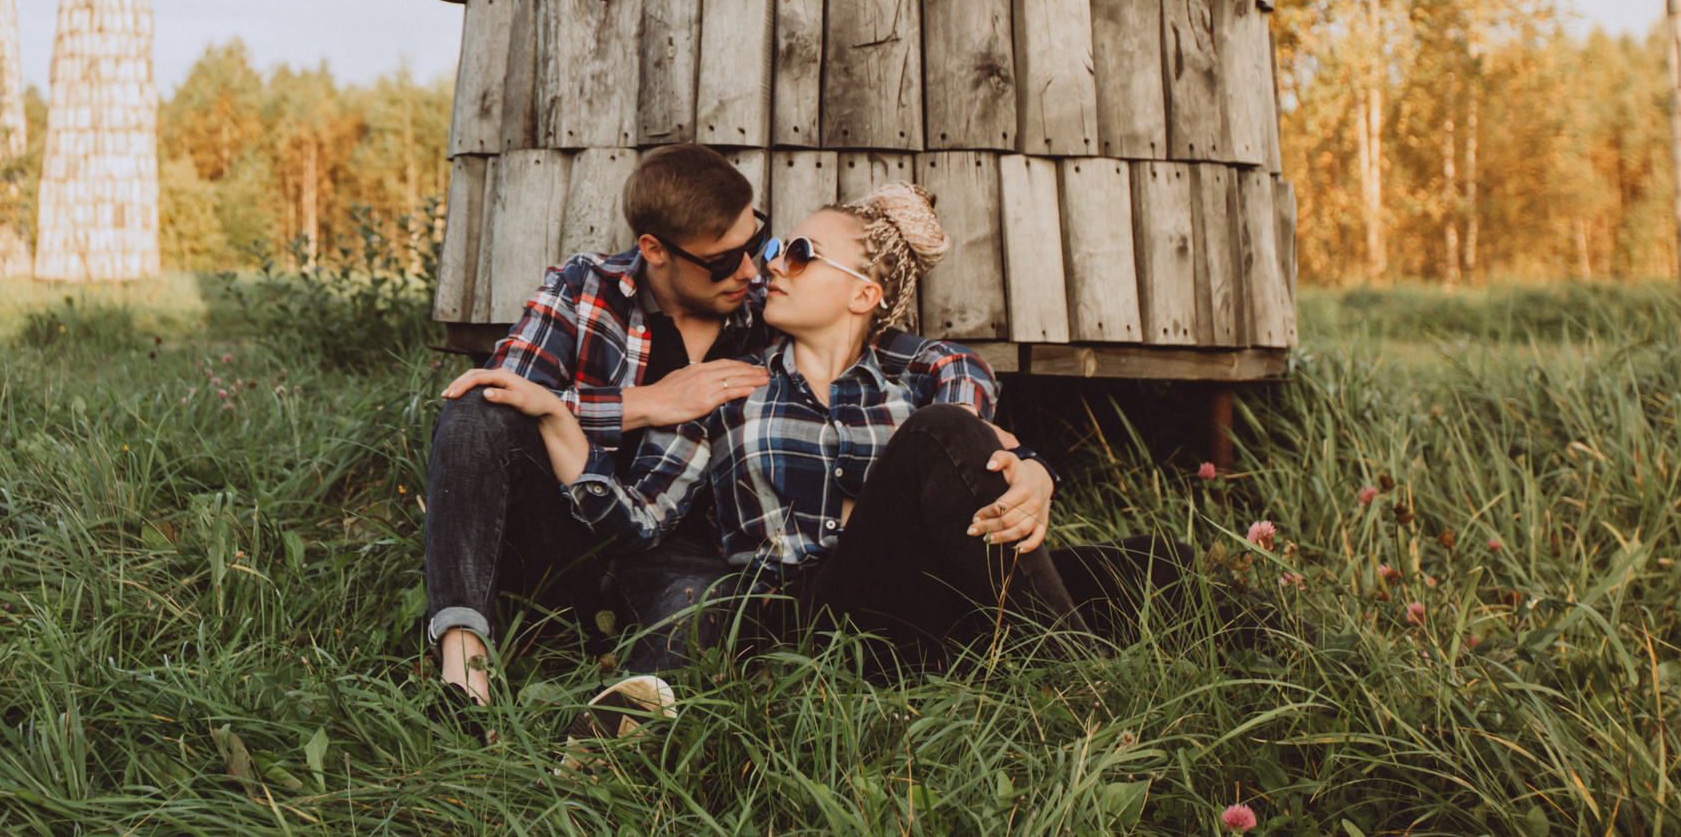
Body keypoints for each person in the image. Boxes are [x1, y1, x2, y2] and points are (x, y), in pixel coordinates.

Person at [482, 184, 1180, 678]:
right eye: (780, 246)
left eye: (802, 252)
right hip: (811, 609)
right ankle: (1079, 680)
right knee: (939, 434)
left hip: (926, 581)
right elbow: (640, 523)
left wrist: (1034, 468)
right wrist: (560, 419)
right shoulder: (730, 384)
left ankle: (1274, 644)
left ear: (863, 294)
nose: (772, 265)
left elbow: (977, 421)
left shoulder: (919, 374)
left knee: (1155, 562)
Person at [422, 148, 1002, 712]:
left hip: (703, 553)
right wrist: (644, 404)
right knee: (477, 409)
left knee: (694, 607)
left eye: (754, 245)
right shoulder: (585, 289)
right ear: (654, 250)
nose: (752, 270)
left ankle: (631, 718)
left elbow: (932, 358)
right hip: (581, 530)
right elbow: (508, 392)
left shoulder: (766, 304)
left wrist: (983, 444)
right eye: (723, 262)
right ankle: (464, 670)